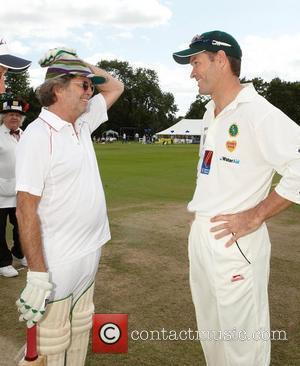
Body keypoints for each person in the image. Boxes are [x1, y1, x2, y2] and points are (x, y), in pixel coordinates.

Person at [173, 30, 300, 366]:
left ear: (221, 60)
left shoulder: (259, 112)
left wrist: (256, 215)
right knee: (212, 334)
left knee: (243, 344)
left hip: (236, 243)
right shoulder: (210, 113)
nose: (192, 71)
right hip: (203, 236)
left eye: (196, 62)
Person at [15, 48, 124, 366]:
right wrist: (36, 273)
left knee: (80, 327)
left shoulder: (82, 123)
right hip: (58, 259)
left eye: (91, 86)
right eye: (84, 85)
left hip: (91, 248)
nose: (91, 91)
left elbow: (115, 86)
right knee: (52, 338)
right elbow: (25, 209)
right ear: (58, 88)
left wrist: (76, 60)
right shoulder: (37, 135)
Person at [0, 99, 28, 277]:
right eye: (11, 114)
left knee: (22, 226)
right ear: (3, 117)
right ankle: (3, 262)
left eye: (17, 115)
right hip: (0, 192)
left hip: (21, 190)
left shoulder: (24, 134)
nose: (14, 118)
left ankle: (19, 251)